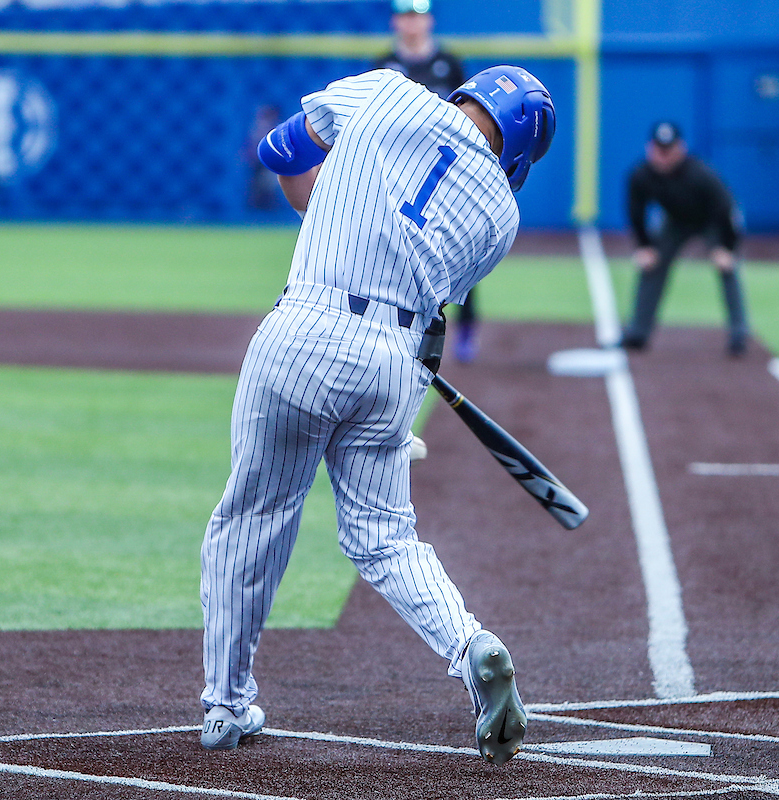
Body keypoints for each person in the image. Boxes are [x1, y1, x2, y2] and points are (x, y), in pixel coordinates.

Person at [199, 65, 556, 766]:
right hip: (393, 364)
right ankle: (470, 646)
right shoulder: (501, 219)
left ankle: (226, 703)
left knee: (254, 518)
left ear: (468, 94)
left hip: (304, 329)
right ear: (517, 152)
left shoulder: (388, 91)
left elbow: (278, 153)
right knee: (385, 539)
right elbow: (429, 304)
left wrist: (324, 196)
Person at [374, 0, 480, 363]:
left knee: (460, 252)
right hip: (397, 173)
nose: (412, 23)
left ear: (430, 21)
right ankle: (397, 330)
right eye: (406, 16)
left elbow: (466, 115)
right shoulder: (383, 64)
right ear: (395, 21)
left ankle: (465, 328)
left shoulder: (448, 63)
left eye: (418, 16)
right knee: (394, 252)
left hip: (442, 174)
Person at [619, 121, 750, 356]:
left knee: (728, 269)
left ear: (681, 148)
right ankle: (638, 332)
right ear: (650, 148)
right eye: (659, 149)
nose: (663, 156)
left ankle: (738, 333)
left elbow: (727, 209)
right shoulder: (641, 175)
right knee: (651, 266)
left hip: (712, 221)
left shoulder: (700, 174)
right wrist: (644, 246)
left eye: (668, 150)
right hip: (676, 222)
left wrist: (727, 247)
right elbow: (636, 212)